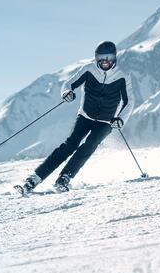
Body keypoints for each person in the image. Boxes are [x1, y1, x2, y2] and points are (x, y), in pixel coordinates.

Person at [18, 41, 133, 193]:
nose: (105, 61)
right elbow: (68, 84)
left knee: (90, 145)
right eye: (101, 57)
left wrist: (120, 118)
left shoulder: (122, 77)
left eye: (109, 57)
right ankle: (35, 178)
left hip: (106, 121)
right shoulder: (89, 69)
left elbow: (129, 101)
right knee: (70, 145)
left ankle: (64, 178)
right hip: (86, 116)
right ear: (96, 58)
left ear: (115, 58)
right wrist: (67, 93)